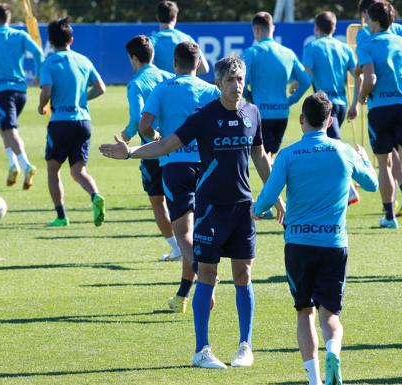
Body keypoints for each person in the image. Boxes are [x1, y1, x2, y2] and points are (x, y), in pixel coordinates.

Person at [100, 56, 284, 370]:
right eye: (230, 80)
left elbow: (260, 157)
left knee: (244, 276)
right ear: (218, 83)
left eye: (240, 79)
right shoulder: (204, 116)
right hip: (210, 209)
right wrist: (131, 152)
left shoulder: (252, 112)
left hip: (242, 209)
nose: (236, 86)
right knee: (208, 276)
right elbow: (168, 144)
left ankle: (245, 346)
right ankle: (202, 350)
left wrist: (275, 197)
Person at [253, 92, 377, 385]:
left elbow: (268, 198)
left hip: (298, 245)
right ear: (330, 120)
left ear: (301, 120)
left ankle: (314, 379)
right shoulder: (344, 150)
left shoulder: (289, 154)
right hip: (334, 244)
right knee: (330, 314)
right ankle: (333, 350)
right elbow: (371, 184)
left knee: (304, 312)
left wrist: (256, 210)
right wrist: (364, 159)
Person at [136, 41, 220, 313]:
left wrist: (158, 138)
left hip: (175, 166)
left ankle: (206, 280)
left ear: (174, 64)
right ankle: (183, 295)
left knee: (183, 234)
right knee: (193, 236)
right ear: (198, 64)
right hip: (208, 168)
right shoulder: (211, 90)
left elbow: (144, 126)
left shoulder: (163, 88)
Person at [355, 1, 402, 229]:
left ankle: (389, 217)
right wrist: (400, 87)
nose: (366, 23)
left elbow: (370, 79)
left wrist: (361, 98)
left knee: (384, 164)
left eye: (368, 19)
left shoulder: (367, 43)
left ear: (376, 21)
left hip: (380, 109)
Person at [38, 17, 106, 227]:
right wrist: (83, 100)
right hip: (83, 121)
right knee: (78, 171)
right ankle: (95, 195)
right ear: (71, 39)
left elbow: (47, 90)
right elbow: (101, 88)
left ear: (50, 40)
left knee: (53, 169)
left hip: (60, 122)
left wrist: (42, 105)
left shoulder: (49, 62)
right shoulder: (83, 60)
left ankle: (61, 216)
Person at [120, 35, 181, 261]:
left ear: (133, 58)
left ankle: (177, 247)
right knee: (181, 197)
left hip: (153, 149)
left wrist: (127, 135)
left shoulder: (136, 83)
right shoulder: (168, 76)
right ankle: (190, 243)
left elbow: (138, 119)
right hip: (177, 145)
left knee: (157, 200)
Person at [0, 3, 43, 189]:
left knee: (10, 129)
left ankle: (26, 165)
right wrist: (38, 73)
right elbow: (38, 51)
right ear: (9, 19)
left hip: (2, 92)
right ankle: (13, 165)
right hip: (21, 91)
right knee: (4, 127)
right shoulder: (20, 35)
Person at [301, 11, 361, 205]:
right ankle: (332, 188)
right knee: (326, 145)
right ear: (334, 28)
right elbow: (358, 76)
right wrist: (355, 103)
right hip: (342, 105)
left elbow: (306, 75)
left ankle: (351, 187)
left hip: (323, 104)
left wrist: (294, 88)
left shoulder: (312, 47)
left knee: (334, 145)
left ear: (316, 28)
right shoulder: (344, 48)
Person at [242, 11, 310, 160]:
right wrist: (290, 100)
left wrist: (249, 96)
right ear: (272, 28)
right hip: (281, 113)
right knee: (270, 157)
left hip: (261, 113)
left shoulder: (251, 52)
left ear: (256, 30)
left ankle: (272, 183)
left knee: (263, 158)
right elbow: (305, 81)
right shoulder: (288, 53)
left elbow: (241, 82)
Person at [150, 1, 209, 75]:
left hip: (159, 86)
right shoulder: (187, 39)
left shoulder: (150, 42)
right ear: (175, 17)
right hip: (184, 85)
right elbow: (204, 68)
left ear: (157, 17)